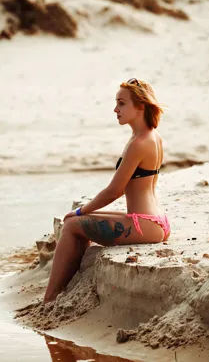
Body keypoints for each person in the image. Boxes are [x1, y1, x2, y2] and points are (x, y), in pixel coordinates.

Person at [43, 78, 171, 303]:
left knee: (73, 224)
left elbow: (114, 190)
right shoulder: (153, 136)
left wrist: (82, 211)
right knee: (78, 224)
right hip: (154, 220)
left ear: (140, 106)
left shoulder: (138, 143)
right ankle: (61, 291)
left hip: (145, 224)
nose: (115, 109)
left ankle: (50, 297)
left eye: (122, 103)